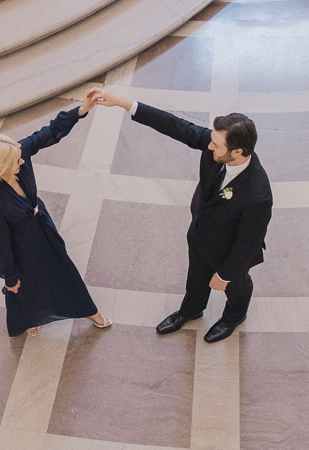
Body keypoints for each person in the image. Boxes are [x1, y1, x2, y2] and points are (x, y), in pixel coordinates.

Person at [94, 91, 271, 343]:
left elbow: (248, 243)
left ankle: (234, 316)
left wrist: (225, 275)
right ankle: (191, 310)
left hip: (231, 252)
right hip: (200, 234)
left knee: (238, 286)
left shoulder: (258, 194)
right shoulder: (217, 146)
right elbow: (174, 125)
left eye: (216, 145)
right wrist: (125, 104)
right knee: (196, 277)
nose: (209, 146)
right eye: (211, 140)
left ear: (238, 152)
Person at [0, 88, 113, 337]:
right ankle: (29, 318)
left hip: (42, 227)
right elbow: (1, 241)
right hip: (22, 247)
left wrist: (81, 110)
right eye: (16, 162)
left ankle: (89, 311)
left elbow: (48, 133)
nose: (22, 161)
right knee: (23, 285)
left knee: (65, 271)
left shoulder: (20, 152)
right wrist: (9, 277)